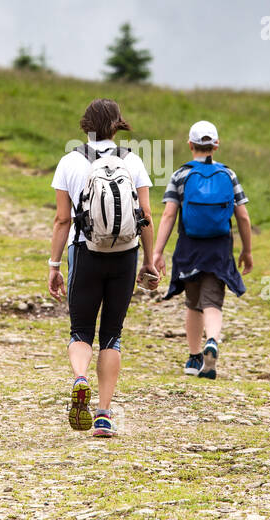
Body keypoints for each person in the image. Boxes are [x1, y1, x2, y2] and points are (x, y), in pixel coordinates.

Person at [48, 98, 158, 437]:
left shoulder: (70, 160)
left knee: (81, 330)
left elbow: (62, 219)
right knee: (113, 334)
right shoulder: (133, 160)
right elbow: (146, 217)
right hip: (125, 254)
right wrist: (150, 261)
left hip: (85, 251)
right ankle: (104, 415)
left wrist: (54, 265)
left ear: (86, 124)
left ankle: (80, 377)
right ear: (117, 124)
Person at [152, 120, 253, 380]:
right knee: (213, 301)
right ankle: (212, 341)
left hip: (189, 246)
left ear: (190, 145)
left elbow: (168, 215)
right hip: (219, 247)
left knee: (192, 302)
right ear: (216, 145)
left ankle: (194, 356)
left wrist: (157, 252)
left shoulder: (181, 175)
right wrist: (247, 251)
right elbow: (242, 217)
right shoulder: (228, 175)